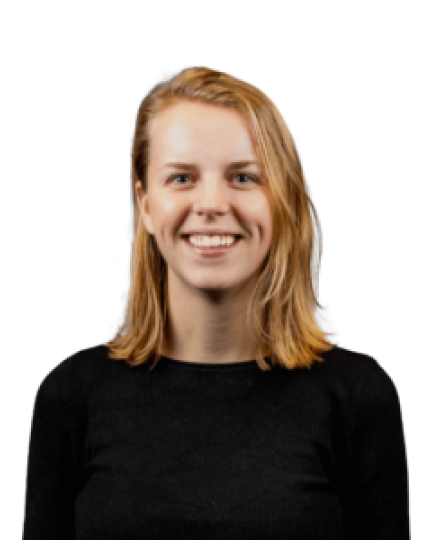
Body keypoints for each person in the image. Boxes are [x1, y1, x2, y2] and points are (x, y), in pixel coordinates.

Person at [21, 65, 411, 539]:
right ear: (146, 205)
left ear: (281, 200)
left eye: (243, 177)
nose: (211, 204)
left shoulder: (357, 397)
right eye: (181, 178)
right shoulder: (71, 396)